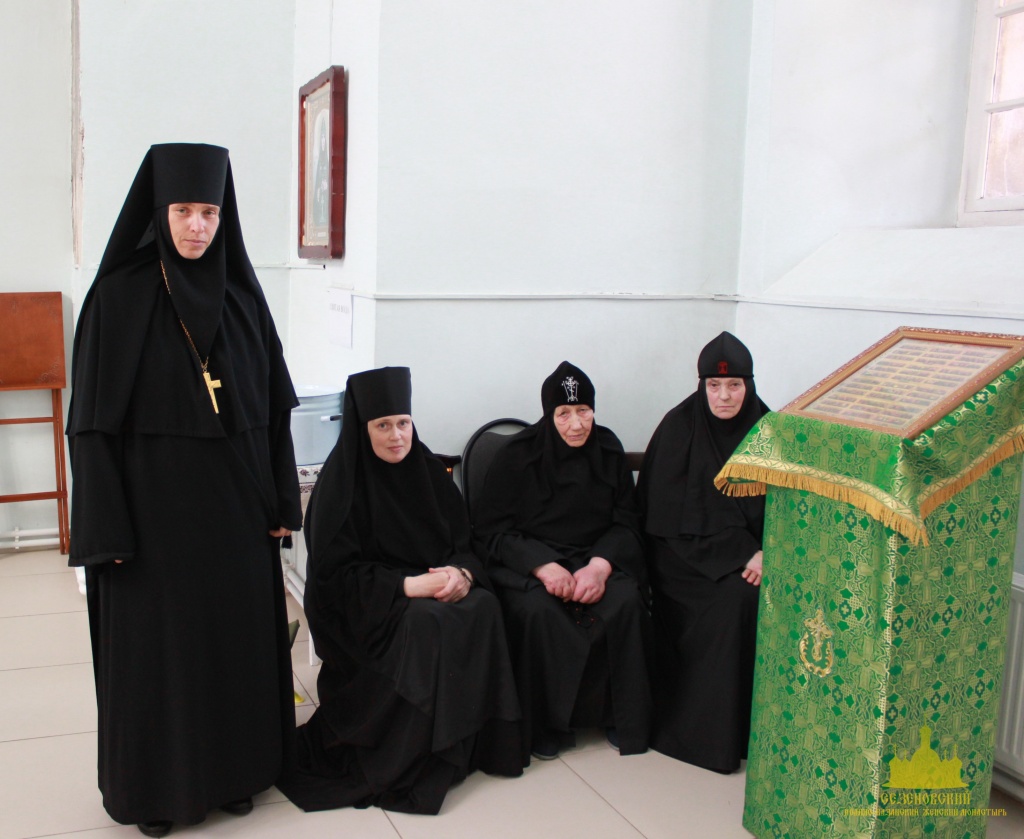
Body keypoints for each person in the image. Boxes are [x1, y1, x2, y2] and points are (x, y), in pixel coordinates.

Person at [66, 143, 302, 837]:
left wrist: (281, 502)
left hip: (234, 514)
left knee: (232, 646)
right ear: (158, 212)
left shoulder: (242, 298)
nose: (198, 226)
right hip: (151, 520)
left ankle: (235, 775)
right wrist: (104, 527)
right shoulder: (118, 298)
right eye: (184, 211)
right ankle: (157, 792)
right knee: (160, 657)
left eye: (210, 212)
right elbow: (90, 427)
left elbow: (275, 413)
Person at [279, 366, 524, 815]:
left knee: (484, 606)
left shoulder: (428, 471)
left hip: (435, 586)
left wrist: (462, 575)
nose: (397, 436)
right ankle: (415, 753)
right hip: (374, 610)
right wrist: (407, 586)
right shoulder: (341, 485)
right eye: (383, 426)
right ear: (363, 427)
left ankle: (470, 746)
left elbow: (464, 543)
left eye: (403, 423)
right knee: (426, 623)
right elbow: (334, 581)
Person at [474, 361, 653, 761]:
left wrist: (600, 566)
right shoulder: (517, 456)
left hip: (597, 555)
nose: (576, 424)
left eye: (584, 411)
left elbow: (627, 521)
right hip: (535, 561)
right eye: (564, 413)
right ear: (548, 414)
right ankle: (546, 725)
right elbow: (492, 531)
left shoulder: (608, 450)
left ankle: (618, 715)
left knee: (625, 603)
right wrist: (542, 565)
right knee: (538, 611)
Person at [636, 331, 770, 774]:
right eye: (714, 385)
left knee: (760, 595)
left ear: (748, 385)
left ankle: (759, 732)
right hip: (681, 560)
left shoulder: (769, 431)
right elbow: (665, 515)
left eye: (734, 385)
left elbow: (790, 505)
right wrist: (742, 554)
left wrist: (769, 553)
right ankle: (708, 739)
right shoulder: (679, 428)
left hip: (757, 557)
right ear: (702, 385)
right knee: (735, 601)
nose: (724, 396)